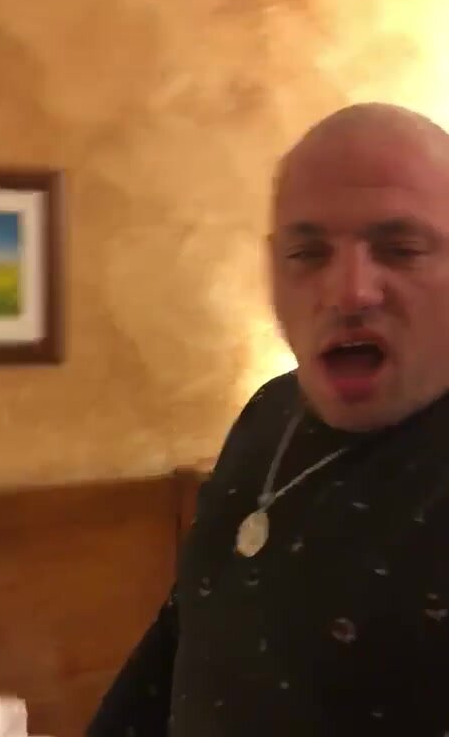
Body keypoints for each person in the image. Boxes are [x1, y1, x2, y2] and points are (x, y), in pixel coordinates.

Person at [87, 102, 449, 736]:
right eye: (308, 253)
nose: (349, 292)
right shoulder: (269, 412)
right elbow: (187, 631)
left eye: (400, 249)